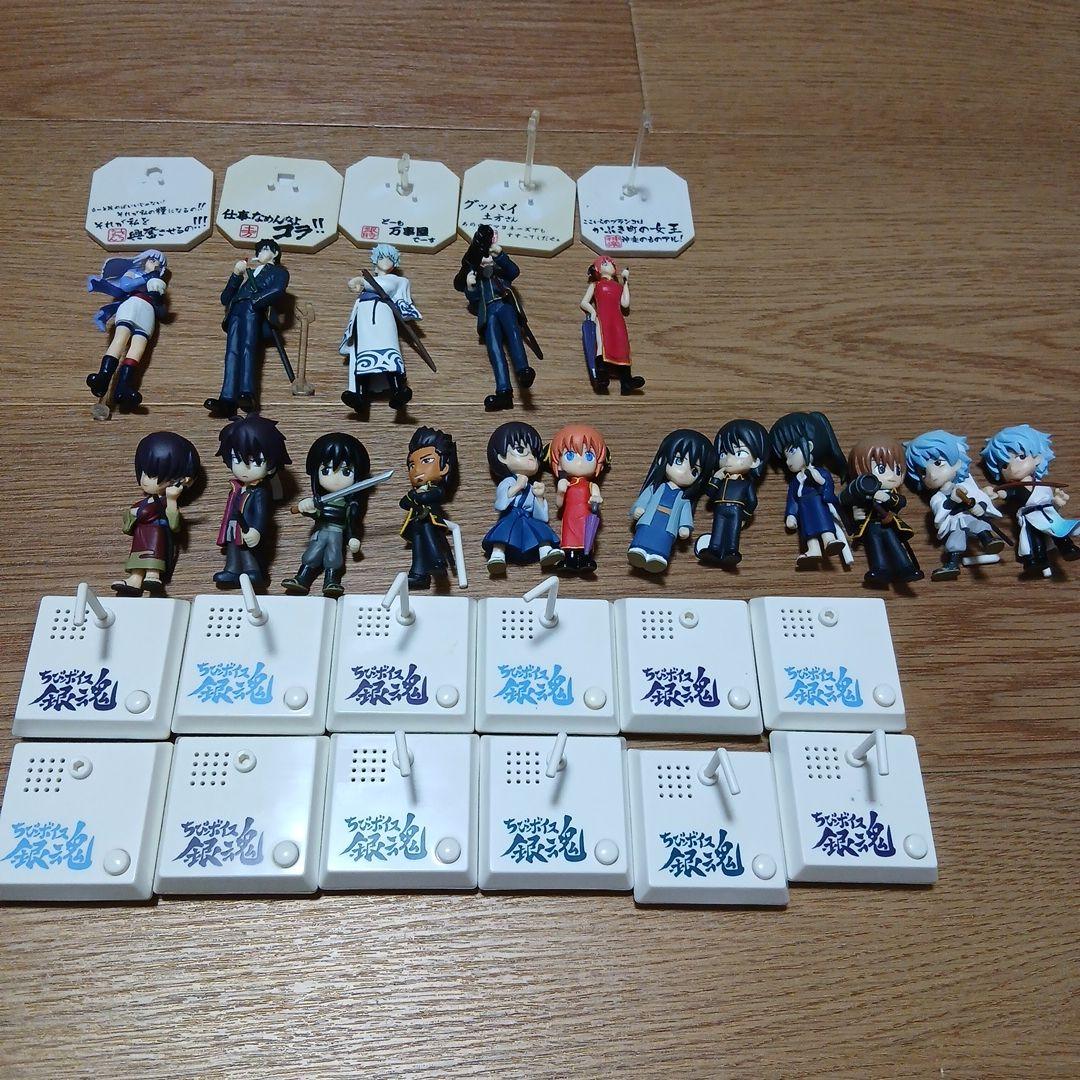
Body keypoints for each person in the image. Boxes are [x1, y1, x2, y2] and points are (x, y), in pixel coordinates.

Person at [454, 225, 537, 411]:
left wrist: (500, 255)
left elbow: (514, 271)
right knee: (494, 350)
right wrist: (471, 286)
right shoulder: (480, 278)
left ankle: (523, 370)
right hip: (488, 313)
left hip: (504, 305)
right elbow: (474, 299)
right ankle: (503, 392)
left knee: (515, 337)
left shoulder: (501, 272)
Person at [205, 239, 290, 417]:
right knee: (231, 354)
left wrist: (256, 301)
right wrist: (236, 275)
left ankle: (247, 393)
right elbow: (225, 298)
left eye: (265, 249)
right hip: (236, 311)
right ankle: (227, 398)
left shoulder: (279, 272)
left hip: (253, 310)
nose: (260, 253)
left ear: (275, 253)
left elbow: (277, 290)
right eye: (259, 250)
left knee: (248, 350)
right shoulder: (249, 273)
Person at [904, 429, 1004, 580]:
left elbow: (979, 497)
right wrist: (951, 501)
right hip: (954, 522)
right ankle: (952, 565)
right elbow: (939, 515)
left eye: (938, 463)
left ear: (957, 462)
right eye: (923, 472)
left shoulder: (967, 485)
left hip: (970, 515)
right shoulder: (937, 497)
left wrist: (980, 506)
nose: (932, 475)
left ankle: (988, 540)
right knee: (955, 542)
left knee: (978, 524)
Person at [281, 433, 371, 598]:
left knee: (334, 556)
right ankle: (301, 578)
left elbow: (352, 521)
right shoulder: (319, 500)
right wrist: (307, 508)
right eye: (326, 470)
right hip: (320, 530)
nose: (335, 479)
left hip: (337, 532)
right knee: (312, 553)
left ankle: (332, 580)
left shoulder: (351, 504)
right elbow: (316, 514)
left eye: (346, 472)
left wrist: (353, 537)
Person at [114, 431, 200, 596]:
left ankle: (153, 575)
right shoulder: (144, 502)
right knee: (137, 557)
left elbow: (174, 525)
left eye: (153, 476)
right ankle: (135, 579)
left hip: (156, 534)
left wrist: (172, 499)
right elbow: (130, 521)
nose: (146, 480)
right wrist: (131, 514)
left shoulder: (166, 501)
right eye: (144, 473)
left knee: (154, 554)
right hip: (141, 534)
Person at [213, 414, 291, 590]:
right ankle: (232, 570)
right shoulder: (236, 487)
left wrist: (257, 530)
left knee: (247, 550)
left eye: (256, 461)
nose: (244, 468)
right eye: (236, 459)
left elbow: (262, 514)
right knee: (233, 549)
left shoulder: (260, 492)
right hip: (233, 526)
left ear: (270, 466)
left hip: (248, 527)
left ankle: (252, 571)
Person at [339, 244, 420, 413]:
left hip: (383, 317)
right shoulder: (369, 284)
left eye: (390, 258)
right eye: (382, 257)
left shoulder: (397, 280)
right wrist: (359, 284)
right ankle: (359, 395)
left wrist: (361, 281)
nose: (385, 261)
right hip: (364, 319)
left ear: (395, 263)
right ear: (375, 260)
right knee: (364, 358)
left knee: (389, 354)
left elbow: (385, 287)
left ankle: (398, 390)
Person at [86, 249, 168, 410]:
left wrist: (158, 299)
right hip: (132, 305)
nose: (156, 265)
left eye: (159, 264)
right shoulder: (134, 273)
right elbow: (126, 285)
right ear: (144, 261)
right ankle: (103, 377)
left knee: (137, 350)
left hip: (147, 312)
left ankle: (123, 387)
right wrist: (146, 278)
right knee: (120, 339)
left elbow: (162, 313)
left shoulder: (158, 283)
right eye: (153, 260)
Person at [768, 411, 850, 567]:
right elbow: (792, 499)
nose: (788, 462)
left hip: (818, 503)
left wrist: (818, 479)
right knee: (808, 530)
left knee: (823, 521)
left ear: (809, 446)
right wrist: (791, 515)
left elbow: (826, 484)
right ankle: (813, 549)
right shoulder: (795, 481)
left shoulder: (819, 472)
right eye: (785, 457)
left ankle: (829, 540)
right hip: (804, 508)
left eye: (792, 452)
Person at [840, 437, 924, 587]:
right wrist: (856, 515)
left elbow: (901, 502)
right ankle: (880, 570)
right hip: (871, 526)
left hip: (889, 524)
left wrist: (886, 498)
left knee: (895, 545)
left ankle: (905, 568)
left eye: (897, 470)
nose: (891, 476)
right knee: (875, 547)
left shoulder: (891, 493)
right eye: (881, 469)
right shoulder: (862, 492)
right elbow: (850, 503)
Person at [628, 429, 714, 573]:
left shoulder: (684, 499)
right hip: (649, 520)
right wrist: (638, 509)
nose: (684, 471)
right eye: (679, 461)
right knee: (644, 535)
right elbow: (643, 500)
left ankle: (658, 557)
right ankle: (638, 551)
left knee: (663, 540)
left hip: (668, 527)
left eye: (694, 471)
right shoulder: (655, 488)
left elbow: (685, 515)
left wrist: (684, 527)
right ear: (662, 459)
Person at [482, 421, 562, 574]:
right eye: (521, 450)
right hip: (511, 515)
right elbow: (501, 503)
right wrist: (517, 486)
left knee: (541, 528)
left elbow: (541, 516)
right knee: (502, 533)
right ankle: (497, 555)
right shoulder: (508, 481)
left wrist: (539, 497)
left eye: (534, 454)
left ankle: (545, 551)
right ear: (502, 458)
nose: (531, 458)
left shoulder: (531, 486)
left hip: (527, 516)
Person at [695, 418, 769, 567]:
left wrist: (745, 516)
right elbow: (710, 493)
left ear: (755, 461)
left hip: (736, 510)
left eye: (739, 453)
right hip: (720, 508)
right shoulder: (722, 479)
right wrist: (716, 479)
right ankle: (714, 549)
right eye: (723, 453)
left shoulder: (746, 483)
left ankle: (732, 551)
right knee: (718, 528)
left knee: (733, 532)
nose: (729, 459)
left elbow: (752, 501)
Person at [399, 426, 457, 589]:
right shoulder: (415, 492)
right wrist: (413, 496)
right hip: (416, 523)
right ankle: (418, 575)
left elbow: (431, 497)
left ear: (444, 467)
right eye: (412, 465)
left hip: (430, 521)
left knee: (430, 539)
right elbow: (403, 503)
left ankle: (438, 563)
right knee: (417, 548)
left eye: (426, 461)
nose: (417, 470)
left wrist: (415, 496)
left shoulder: (435, 489)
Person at [580, 256, 644, 394]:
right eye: (605, 263)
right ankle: (601, 375)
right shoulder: (595, 285)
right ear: (597, 269)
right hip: (603, 317)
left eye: (611, 263)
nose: (610, 265)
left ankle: (626, 381)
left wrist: (625, 282)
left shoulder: (618, 286)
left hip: (617, 318)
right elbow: (584, 302)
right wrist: (593, 312)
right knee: (602, 343)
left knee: (622, 345)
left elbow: (625, 303)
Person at [550, 422, 608, 572]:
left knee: (586, 537)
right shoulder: (566, 483)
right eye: (570, 455)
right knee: (569, 537)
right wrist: (560, 492)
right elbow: (559, 505)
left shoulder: (591, 485)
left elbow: (597, 498)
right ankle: (569, 558)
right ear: (559, 463)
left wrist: (596, 499)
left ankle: (585, 559)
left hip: (586, 516)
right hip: (570, 517)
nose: (580, 462)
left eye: (588, 456)